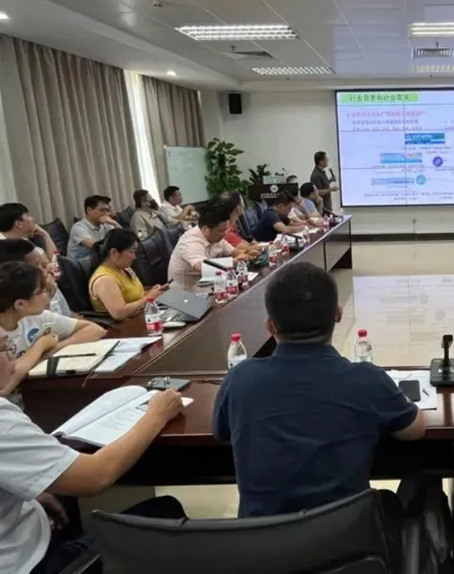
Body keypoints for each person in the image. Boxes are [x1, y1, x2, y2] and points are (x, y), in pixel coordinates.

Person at [212, 263, 424, 558]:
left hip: (263, 552)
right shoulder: (366, 379)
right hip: (346, 552)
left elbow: (220, 432)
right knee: (416, 490)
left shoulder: (240, 378)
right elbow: (416, 429)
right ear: (338, 314)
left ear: (270, 326)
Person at [0, 332, 187, 574]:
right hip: (30, 562)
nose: (13, 357)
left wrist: (23, 492)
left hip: (27, 528)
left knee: (66, 503)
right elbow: (95, 477)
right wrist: (156, 415)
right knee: (164, 511)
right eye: (5, 348)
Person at [0, 262, 106, 400]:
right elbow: (4, 386)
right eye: (42, 291)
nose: (48, 295)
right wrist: (40, 347)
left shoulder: (34, 316)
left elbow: (95, 330)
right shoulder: (2, 336)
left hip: (39, 395)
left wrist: (53, 349)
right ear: (20, 304)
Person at [89, 229, 167, 320]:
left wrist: (151, 292)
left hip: (142, 315)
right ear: (114, 252)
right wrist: (149, 298)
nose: (134, 257)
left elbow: (134, 296)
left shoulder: (125, 269)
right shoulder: (105, 279)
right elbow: (119, 313)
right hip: (125, 325)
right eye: (131, 252)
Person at [167, 205, 251, 289]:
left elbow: (233, 252)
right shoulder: (189, 241)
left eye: (226, 229)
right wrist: (234, 261)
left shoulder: (215, 236)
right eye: (221, 230)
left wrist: (249, 254)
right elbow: (202, 266)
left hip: (208, 282)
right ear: (206, 229)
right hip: (187, 291)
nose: (225, 234)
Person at [0, 239, 71, 317]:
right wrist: (48, 298)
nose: (43, 271)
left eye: (42, 264)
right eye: (36, 266)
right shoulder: (13, 308)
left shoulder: (48, 284)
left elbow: (70, 316)